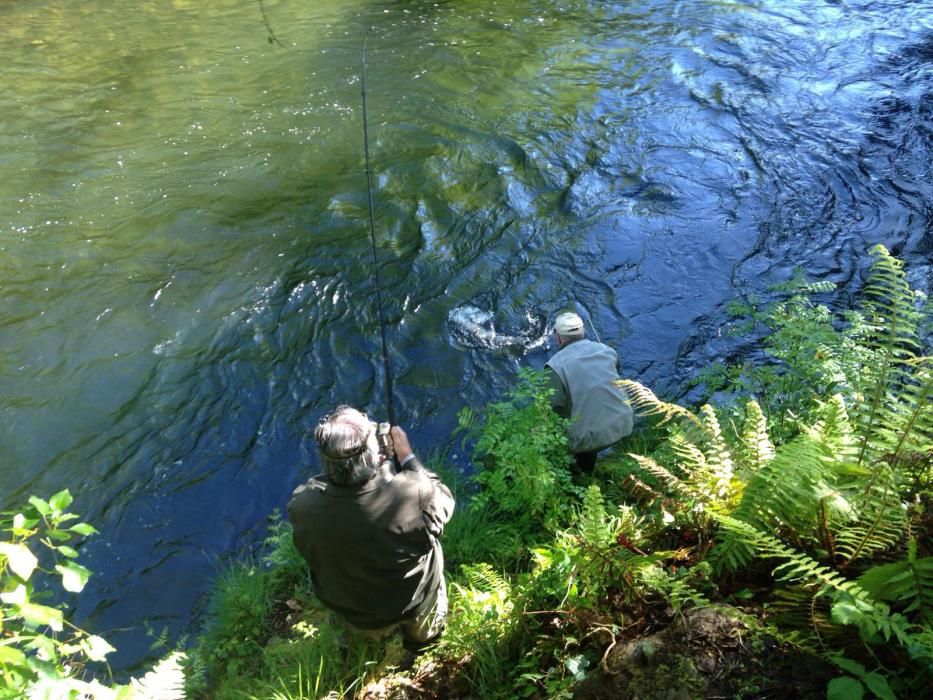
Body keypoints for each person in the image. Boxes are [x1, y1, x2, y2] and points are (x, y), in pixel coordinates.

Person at [287, 406, 455, 652]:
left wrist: (374, 468)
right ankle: (422, 646)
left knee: (356, 644)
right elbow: (444, 500)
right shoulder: (413, 495)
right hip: (412, 600)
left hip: (351, 609)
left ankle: (358, 651)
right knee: (425, 638)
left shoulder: (302, 507)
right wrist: (406, 458)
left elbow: (325, 486)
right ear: (372, 455)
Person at [545, 311, 634, 473]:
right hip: (625, 424)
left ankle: (582, 476)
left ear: (558, 338)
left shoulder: (555, 366)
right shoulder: (608, 351)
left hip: (589, 441)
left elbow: (553, 408)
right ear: (583, 332)